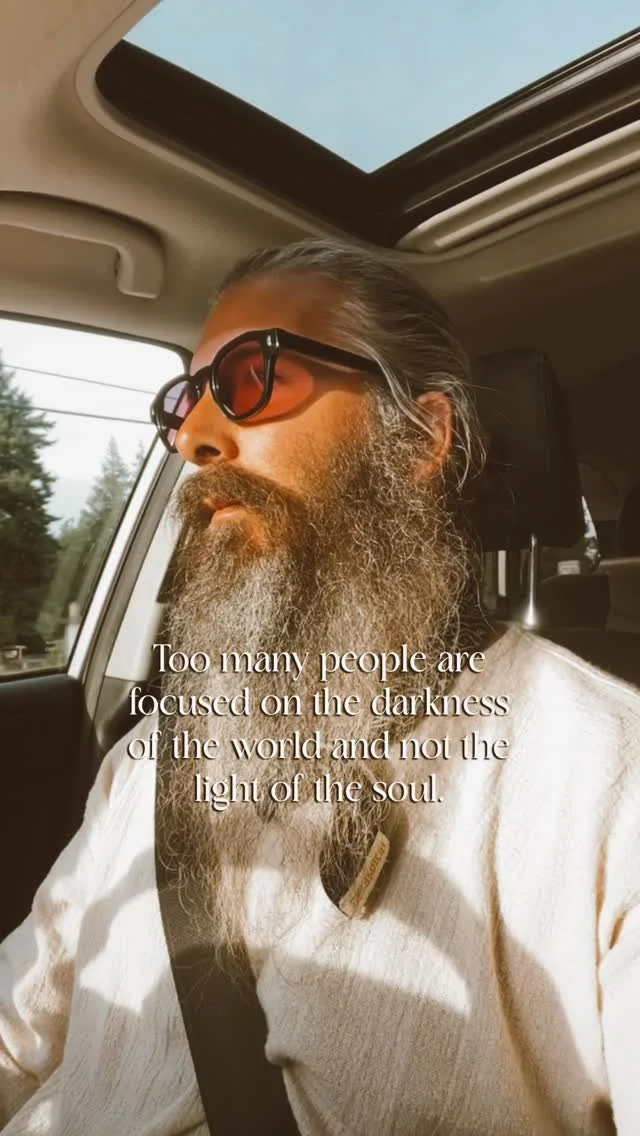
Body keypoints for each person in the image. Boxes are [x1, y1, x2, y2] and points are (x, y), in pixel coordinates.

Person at [1, 238, 639, 1136]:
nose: (194, 436)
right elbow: (18, 1031)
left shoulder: (607, 783)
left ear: (419, 439)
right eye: (184, 400)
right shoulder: (154, 755)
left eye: (252, 376)